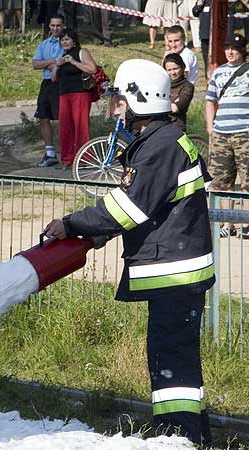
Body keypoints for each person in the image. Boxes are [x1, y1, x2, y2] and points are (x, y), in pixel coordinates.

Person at [44, 58, 214, 446]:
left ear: (141, 99)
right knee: (179, 360)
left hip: (175, 274)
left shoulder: (159, 147)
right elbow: (149, 209)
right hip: (180, 272)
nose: (113, 108)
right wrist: (99, 234)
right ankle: (194, 434)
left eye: (119, 100)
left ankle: (177, 439)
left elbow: (127, 208)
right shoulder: (163, 140)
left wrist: (70, 224)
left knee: (171, 364)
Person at [205, 33, 249, 238]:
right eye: (228, 48)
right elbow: (209, 101)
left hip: (245, 132)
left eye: (235, 49)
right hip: (221, 132)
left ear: (243, 50)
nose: (230, 52)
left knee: (247, 180)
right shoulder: (218, 72)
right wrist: (210, 129)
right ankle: (226, 221)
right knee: (221, 181)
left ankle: (245, 222)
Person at [51, 29, 97, 167]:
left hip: (80, 93)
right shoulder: (62, 56)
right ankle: (67, 159)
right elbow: (54, 79)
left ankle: (84, 159)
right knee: (65, 126)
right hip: (64, 93)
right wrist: (56, 67)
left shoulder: (81, 52)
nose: (64, 42)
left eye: (67, 39)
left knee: (80, 125)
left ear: (74, 40)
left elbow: (92, 69)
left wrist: (74, 62)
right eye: (62, 40)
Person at [32, 14, 64, 168]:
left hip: (61, 84)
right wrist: (51, 62)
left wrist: (52, 65)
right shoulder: (43, 44)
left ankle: (67, 151)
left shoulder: (65, 42)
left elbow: (63, 62)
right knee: (43, 117)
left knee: (61, 118)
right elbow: (35, 63)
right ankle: (50, 153)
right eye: (53, 25)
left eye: (58, 25)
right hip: (46, 83)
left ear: (62, 26)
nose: (55, 28)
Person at [163, 53, 194, 131]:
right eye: (169, 70)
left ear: (182, 67)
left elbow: (175, 108)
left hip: (177, 127)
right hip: (161, 125)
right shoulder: (162, 85)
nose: (173, 73)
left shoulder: (187, 86)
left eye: (175, 68)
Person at [192, 0, 210, 78]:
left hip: (216, 34)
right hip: (204, 34)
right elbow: (195, 13)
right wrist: (199, 5)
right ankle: (207, 75)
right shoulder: (202, 1)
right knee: (206, 57)